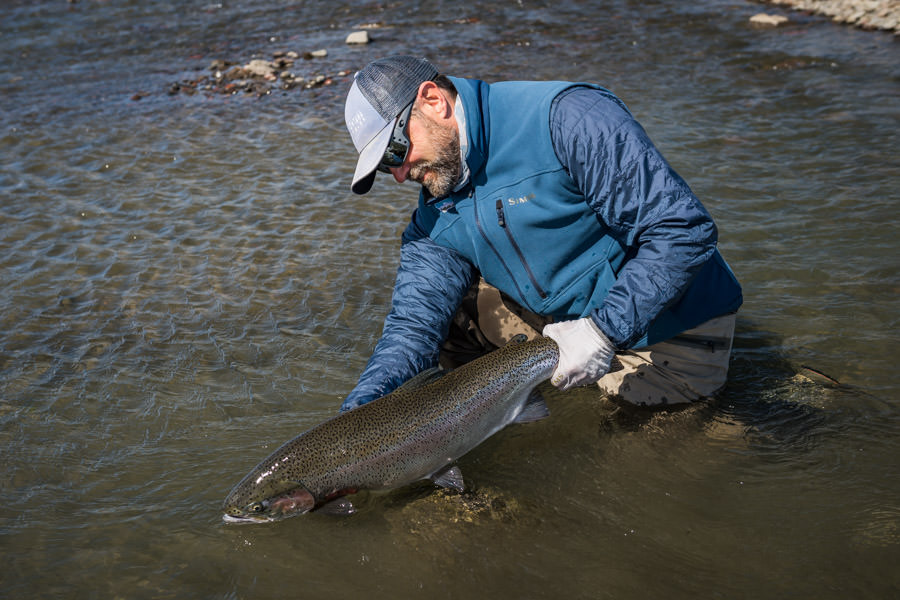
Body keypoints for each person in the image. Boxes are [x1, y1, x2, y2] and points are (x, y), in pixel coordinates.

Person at [341, 55, 742, 412]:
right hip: (559, 323)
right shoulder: (434, 209)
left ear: (433, 101)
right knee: (445, 316)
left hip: (667, 325)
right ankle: (516, 414)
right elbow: (412, 325)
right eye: (382, 168)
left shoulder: (569, 118)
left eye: (395, 151)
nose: (397, 175)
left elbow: (683, 231)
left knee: (627, 468)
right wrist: (359, 414)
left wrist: (603, 331)